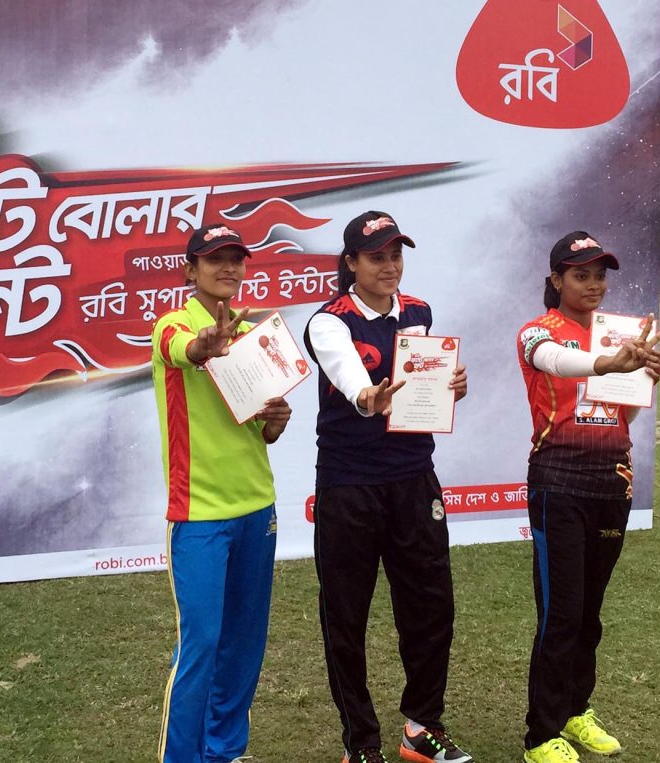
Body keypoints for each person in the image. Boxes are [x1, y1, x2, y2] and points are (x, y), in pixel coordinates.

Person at [303, 211, 473, 763]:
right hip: (349, 486)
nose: (389, 266)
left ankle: (422, 729)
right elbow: (348, 372)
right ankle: (362, 745)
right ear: (351, 262)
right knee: (346, 616)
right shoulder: (329, 320)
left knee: (431, 607)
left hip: (413, 478)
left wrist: (451, 388)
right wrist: (366, 396)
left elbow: (424, 387)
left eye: (396, 255)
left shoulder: (419, 311)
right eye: (376, 256)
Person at [516, 231, 660, 763]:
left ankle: (576, 710)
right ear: (557, 279)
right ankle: (541, 734)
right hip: (558, 481)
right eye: (581, 275)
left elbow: (620, 413)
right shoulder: (538, 332)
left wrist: (644, 376)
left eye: (600, 274)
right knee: (561, 611)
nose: (594, 284)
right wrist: (606, 365)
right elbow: (556, 361)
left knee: (590, 611)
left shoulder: (620, 334)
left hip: (612, 479)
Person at [152, 224, 292, 763]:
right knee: (202, 645)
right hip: (200, 514)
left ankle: (226, 751)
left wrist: (277, 419)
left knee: (243, 645)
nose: (227, 269)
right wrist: (202, 345)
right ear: (191, 270)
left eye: (236, 260)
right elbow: (179, 348)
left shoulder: (254, 334)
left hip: (257, 507)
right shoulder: (172, 325)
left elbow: (262, 429)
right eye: (215, 260)